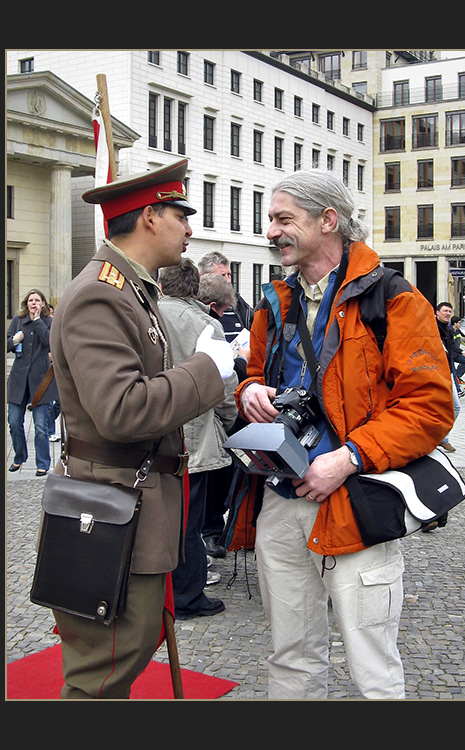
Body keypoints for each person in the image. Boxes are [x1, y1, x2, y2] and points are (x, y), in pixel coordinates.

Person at [236, 168, 453, 699]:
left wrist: (349, 458)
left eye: (283, 219)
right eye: (270, 219)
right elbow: (256, 373)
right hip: (281, 502)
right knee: (290, 659)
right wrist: (249, 391)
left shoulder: (395, 300)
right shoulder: (273, 302)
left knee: (373, 668)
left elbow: (429, 407)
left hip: (354, 505)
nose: (271, 231)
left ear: (328, 221)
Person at [48, 159, 234, 698]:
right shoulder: (101, 293)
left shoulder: (134, 289)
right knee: (101, 675)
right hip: (110, 509)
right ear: (150, 217)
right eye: (181, 214)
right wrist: (207, 371)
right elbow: (122, 411)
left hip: (132, 505)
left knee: (121, 660)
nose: (189, 228)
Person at [158, 259, 239, 618]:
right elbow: (222, 385)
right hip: (193, 435)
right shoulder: (206, 324)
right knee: (188, 521)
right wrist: (229, 421)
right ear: (195, 289)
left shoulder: (147, 312)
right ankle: (188, 597)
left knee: (160, 516)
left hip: (152, 429)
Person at [197, 271, 251, 558]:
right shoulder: (208, 324)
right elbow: (223, 379)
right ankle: (210, 535)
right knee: (212, 483)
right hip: (210, 420)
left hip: (188, 420)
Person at [7, 289, 59, 475]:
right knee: (14, 422)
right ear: (26, 303)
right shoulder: (17, 320)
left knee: (40, 427)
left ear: (43, 304)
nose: (34, 303)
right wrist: (14, 340)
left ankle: (43, 463)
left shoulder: (48, 322)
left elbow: (50, 342)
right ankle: (19, 457)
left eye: (37, 300)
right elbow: (6, 345)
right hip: (18, 380)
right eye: (31, 300)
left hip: (40, 381)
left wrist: (37, 322)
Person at [198, 250, 254, 340]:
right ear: (203, 277)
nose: (227, 280)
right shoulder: (194, 308)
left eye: (229, 275)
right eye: (222, 275)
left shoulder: (240, 305)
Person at [435, 300, 461, 452]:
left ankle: (442, 437)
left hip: (449, 372)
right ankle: (437, 438)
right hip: (435, 372)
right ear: (437, 312)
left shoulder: (449, 330)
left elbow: (452, 352)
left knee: (455, 406)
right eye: (445, 311)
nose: (447, 313)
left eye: (449, 311)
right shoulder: (431, 328)